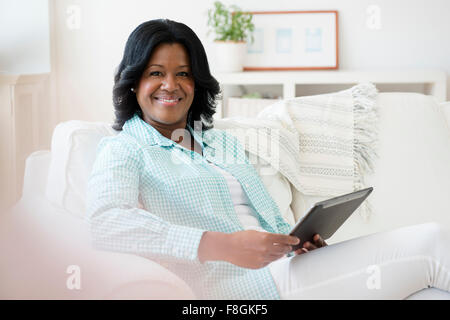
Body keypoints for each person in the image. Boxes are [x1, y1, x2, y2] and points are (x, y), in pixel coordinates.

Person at [86, 19, 450, 300]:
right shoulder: (125, 149)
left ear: (196, 83)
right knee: (434, 241)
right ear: (134, 83)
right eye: (155, 74)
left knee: (427, 294)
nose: (171, 85)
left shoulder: (220, 145)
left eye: (183, 74)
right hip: (240, 291)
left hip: (288, 271)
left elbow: (269, 223)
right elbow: (105, 223)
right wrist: (221, 245)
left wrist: (299, 243)